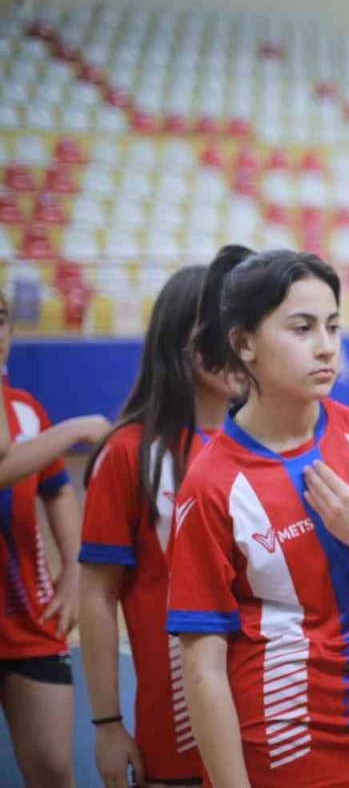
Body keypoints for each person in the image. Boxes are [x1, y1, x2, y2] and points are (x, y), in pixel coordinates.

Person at [166, 246, 349, 787]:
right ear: (243, 344)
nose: (326, 348)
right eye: (302, 328)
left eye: (333, 327)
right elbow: (202, 667)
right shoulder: (212, 483)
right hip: (283, 760)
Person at [79, 265, 241, 787]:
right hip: (176, 739)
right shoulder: (129, 454)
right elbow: (98, 596)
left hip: (267, 731)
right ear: (180, 341)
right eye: (218, 331)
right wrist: (107, 724)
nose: (236, 346)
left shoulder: (267, 452)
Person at [0, 287, 110, 787]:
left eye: (1, 318)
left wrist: (71, 573)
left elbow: (56, 490)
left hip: (27, 617)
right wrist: (76, 429)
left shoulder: (26, 411)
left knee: (53, 769)